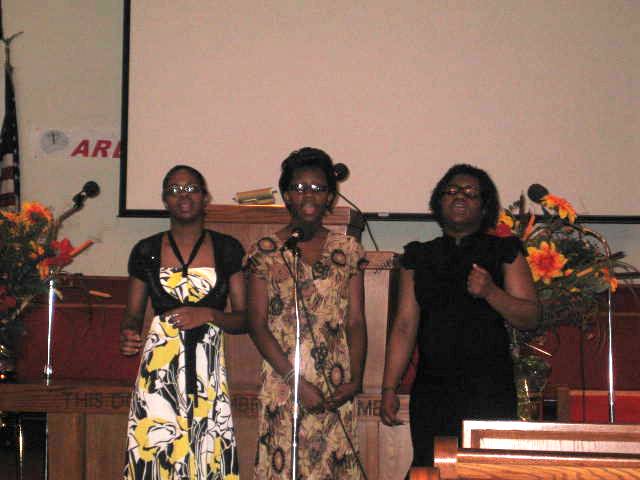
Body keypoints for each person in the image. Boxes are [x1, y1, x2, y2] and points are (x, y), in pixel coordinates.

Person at [380, 164, 539, 468]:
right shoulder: (419, 257)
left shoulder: (504, 251)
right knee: (430, 467)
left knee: (484, 470)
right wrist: (389, 387)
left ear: (485, 206)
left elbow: (530, 317)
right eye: (451, 191)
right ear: (438, 202)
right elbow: (404, 326)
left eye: (470, 192)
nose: (459, 196)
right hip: (433, 389)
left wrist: (491, 292)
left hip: (489, 388)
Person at [244, 147, 367, 479]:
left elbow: (356, 320)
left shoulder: (348, 249)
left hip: (336, 386)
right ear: (286, 195)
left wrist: (355, 380)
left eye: (317, 188)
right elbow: (256, 324)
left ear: (330, 197)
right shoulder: (266, 251)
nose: (308, 195)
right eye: (299, 188)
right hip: (284, 382)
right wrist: (295, 383)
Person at [120, 165, 246, 480]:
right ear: (165, 200)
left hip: (208, 372)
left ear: (205, 197)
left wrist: (209, 314)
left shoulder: (228, 249)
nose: (183, 196)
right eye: (174, 190)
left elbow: (244, 319)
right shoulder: (146, 250)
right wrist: (128, 331)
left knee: (206, 453)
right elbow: (133, 313)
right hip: (159, 372)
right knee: (158, 453)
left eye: (191, 188)